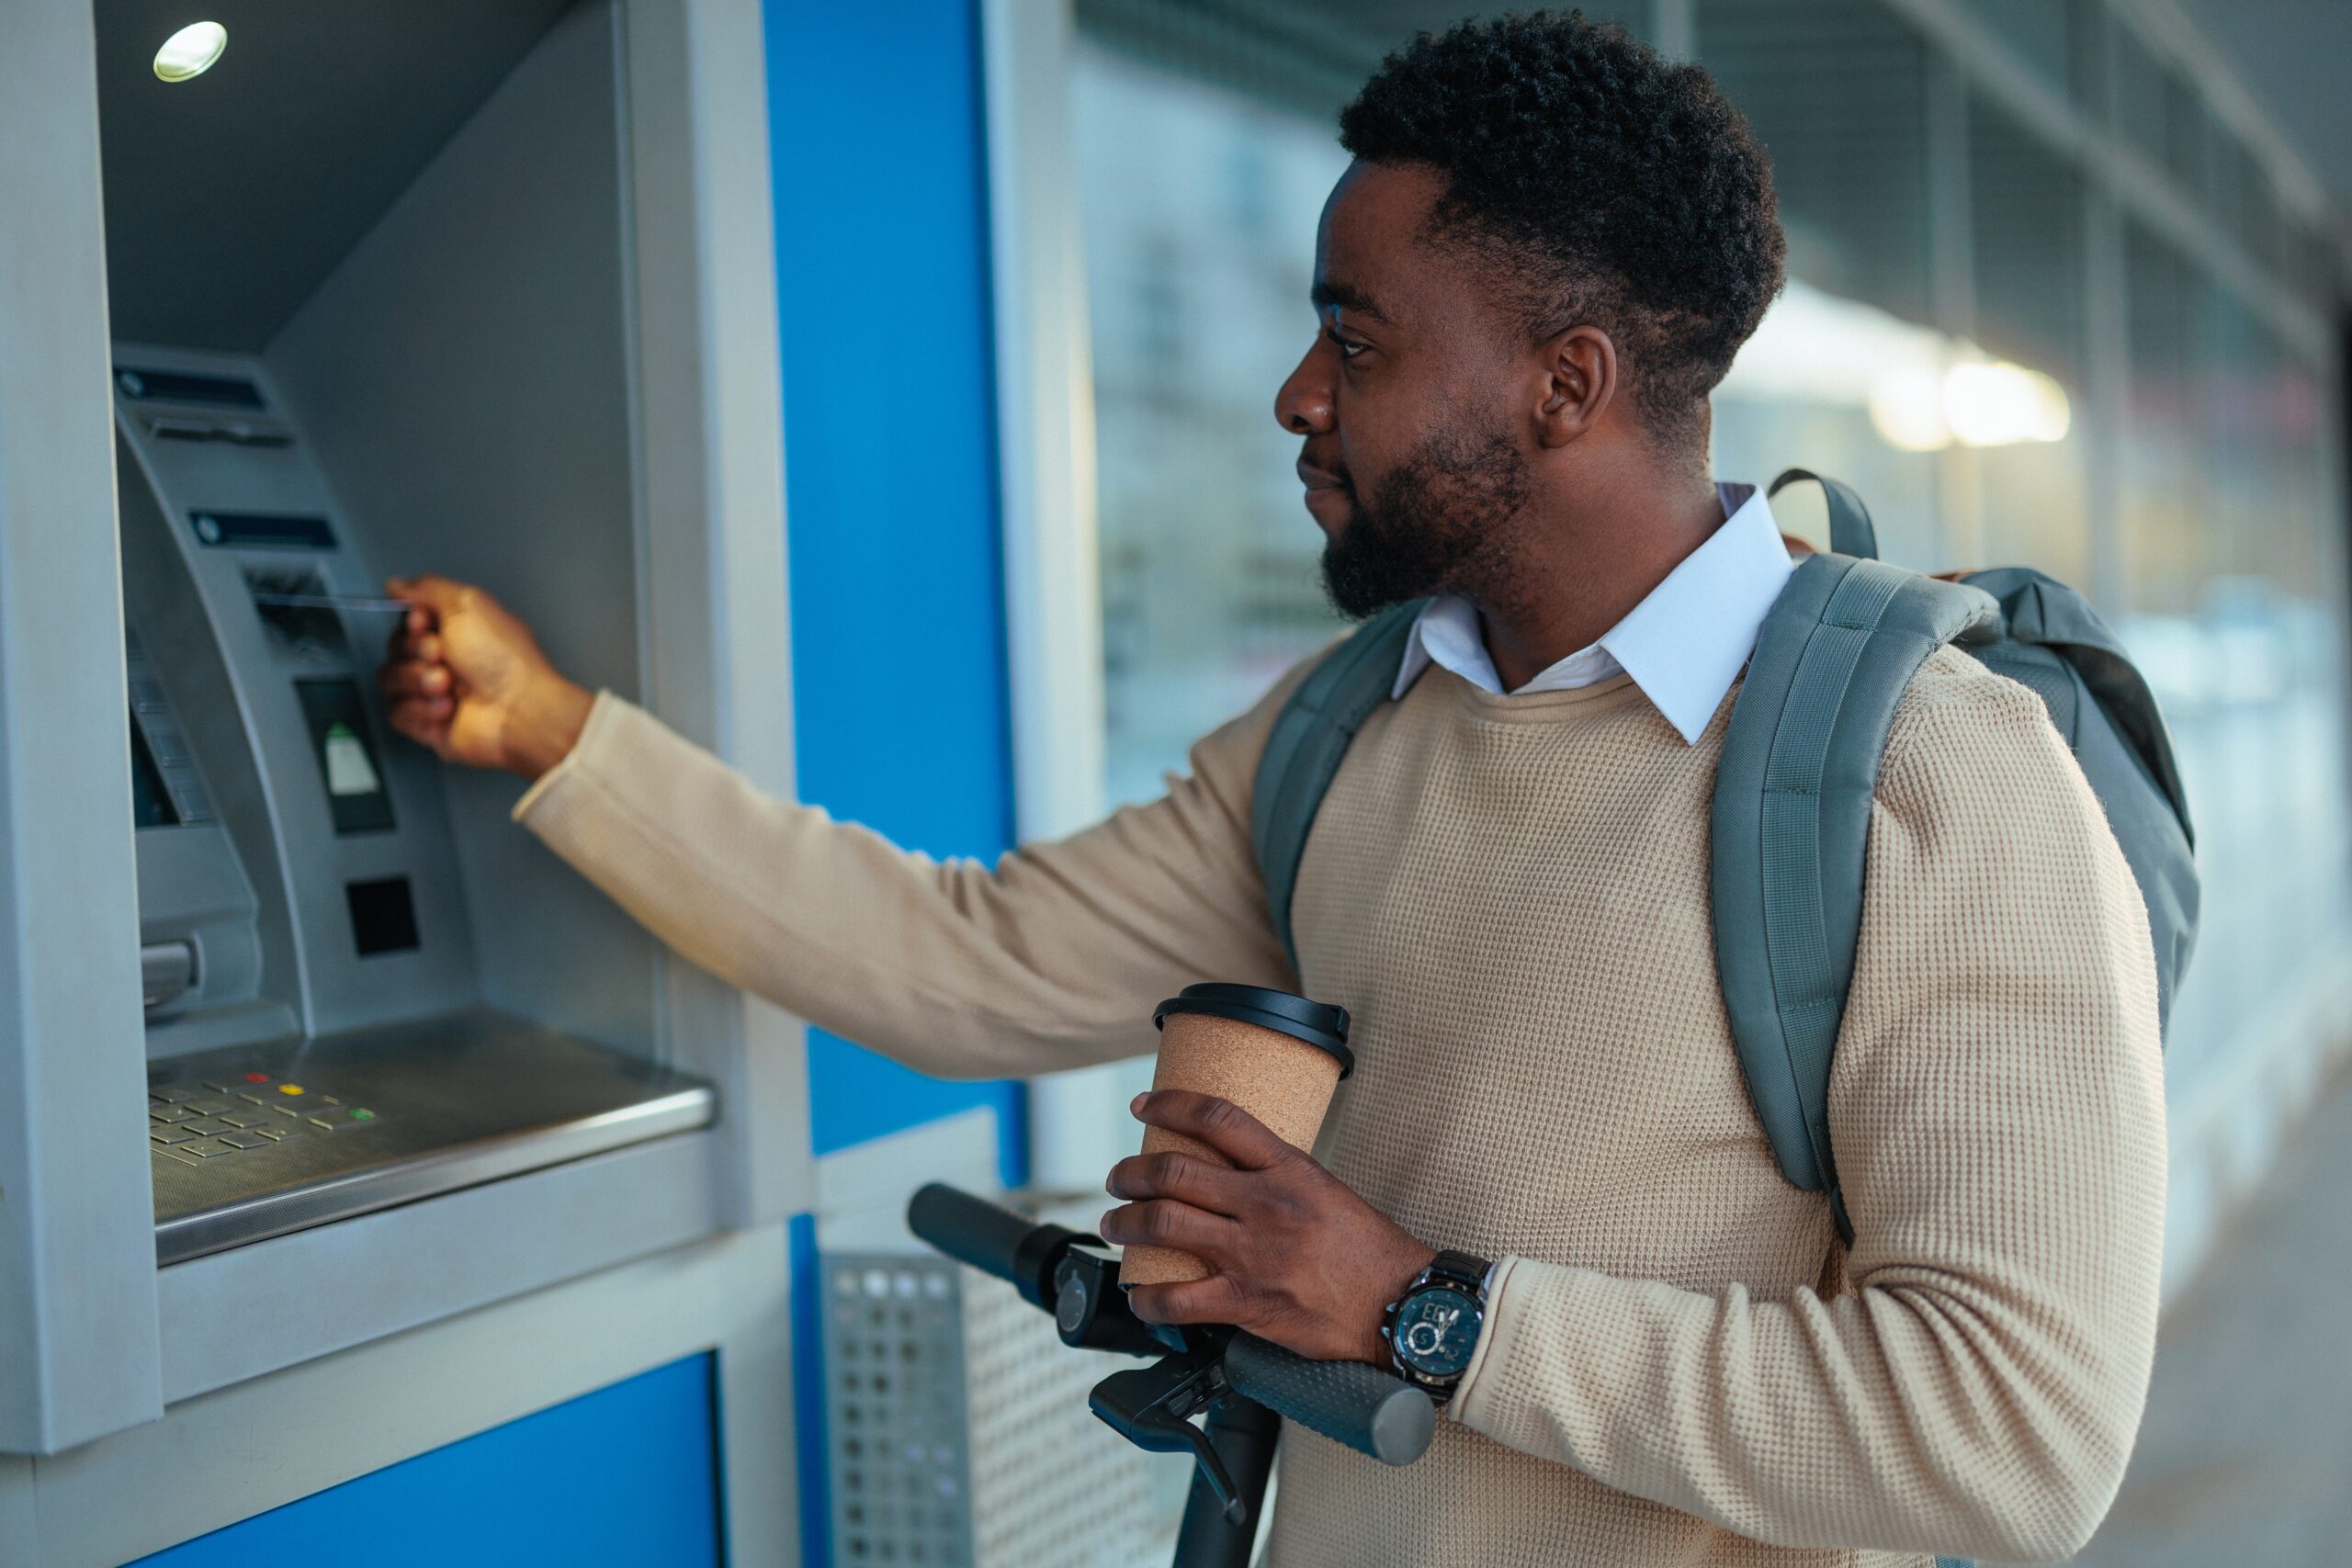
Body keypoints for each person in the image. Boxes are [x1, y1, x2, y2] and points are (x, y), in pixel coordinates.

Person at [379, 14, 2164, 1567]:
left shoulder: (1931, 775)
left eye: (1358, 341)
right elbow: (958, 957)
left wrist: (1415, 1304)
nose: (1295, 395)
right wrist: (552, 730)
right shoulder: (1348, 727)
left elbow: (2015, 1434)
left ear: (1565, 386)